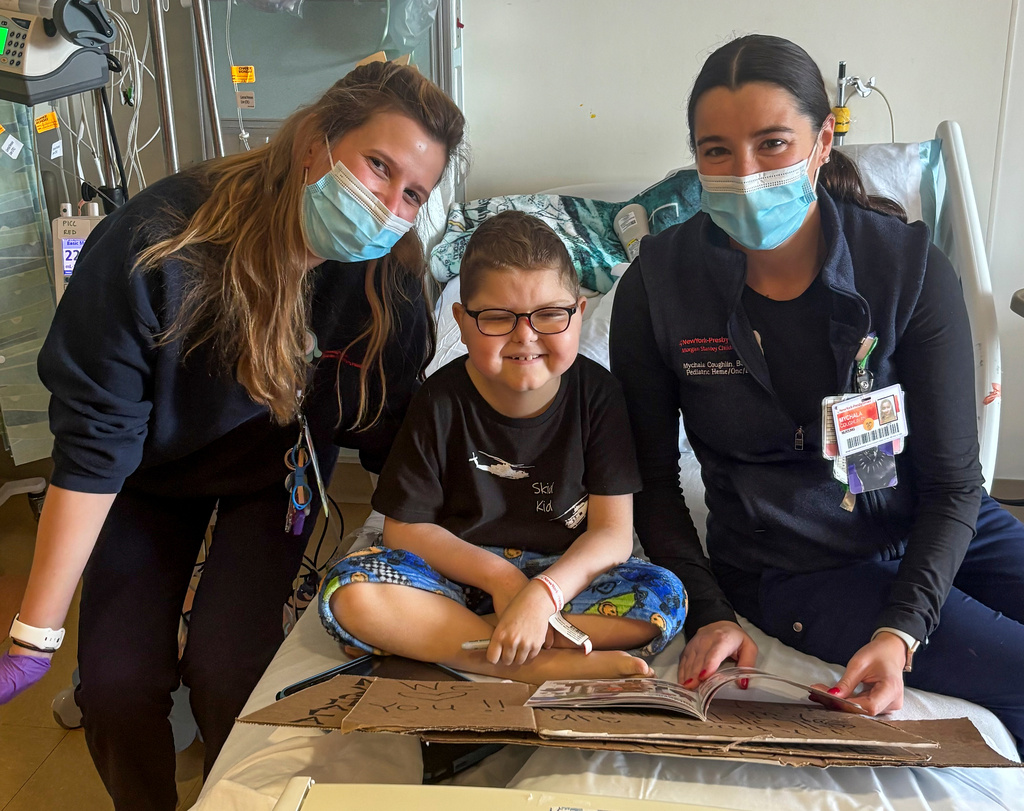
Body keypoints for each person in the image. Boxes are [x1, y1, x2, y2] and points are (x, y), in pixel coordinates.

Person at [0, 61, 465, 810]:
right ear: (317, 142)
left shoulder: (382, 286)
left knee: (233, 668)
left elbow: (393, 435)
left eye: (413, 192)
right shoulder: (160, 246)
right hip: (144, 479)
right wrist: (35, 632)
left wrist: (454, 564)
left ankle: (236, 795)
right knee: (116, 688)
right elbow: (95, 445)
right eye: (379, 165)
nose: (388, 204)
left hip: (274, 479)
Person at [609, 33, 1024, 757]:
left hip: (930, 514)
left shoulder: (907, 271)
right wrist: (708, 609)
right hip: (798, 567)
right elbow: (650, 479)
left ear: (823, 140)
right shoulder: (658, 287)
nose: (744, 174)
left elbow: (956, 483)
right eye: (716, 152)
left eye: (772, 143)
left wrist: (903, 628)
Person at [319, 211, 686, 682]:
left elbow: (612, 535)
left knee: (663, 595)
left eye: (551, 314)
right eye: (496, 318)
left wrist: (542, 595)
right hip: (458, 573)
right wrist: (502, 578)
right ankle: (531, 662)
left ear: (578, 312)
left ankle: (459, 643)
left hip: (564, 579)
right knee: (349, 587)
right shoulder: (437, 399)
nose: (526, 336)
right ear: (462, 319)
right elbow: (405, 531)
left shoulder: (600, 396)